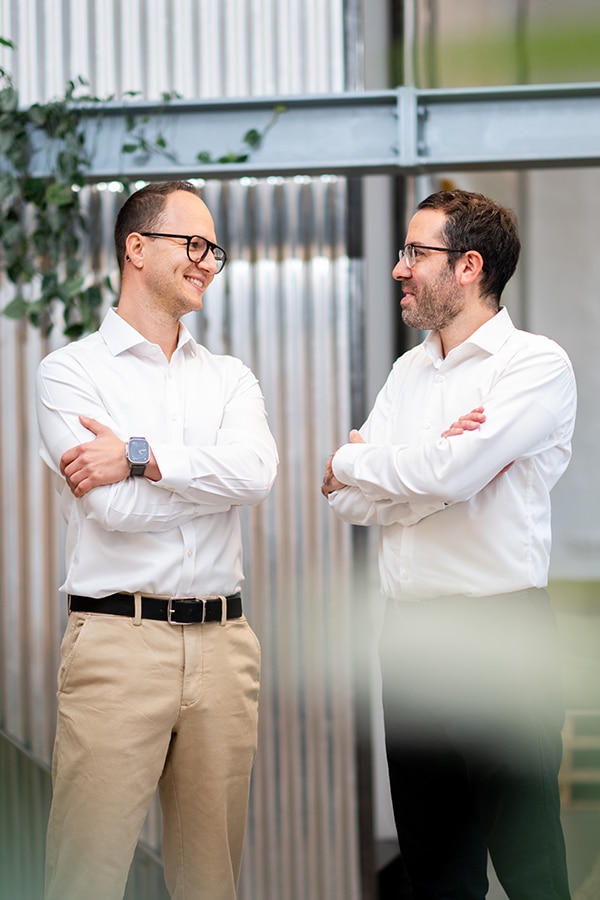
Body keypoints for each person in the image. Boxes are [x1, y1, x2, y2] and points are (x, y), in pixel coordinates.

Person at [322, 189, 576, 900]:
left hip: (501, 633)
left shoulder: (535, 365)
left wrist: (353, 460)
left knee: (530, 870)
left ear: (469, 266)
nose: (400, 269)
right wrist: (425, 469)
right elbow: (349, 504)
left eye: (415, 253)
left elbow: (427, 473)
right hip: (409, 639)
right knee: (436, 870)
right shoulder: (409, 372)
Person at [36, 180, 279, 900]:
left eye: (214, 250)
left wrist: (141, 456)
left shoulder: (230, 379)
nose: (208, 261)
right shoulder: (70, 372)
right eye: (193, 244)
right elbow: (112, 509)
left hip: (224, 645)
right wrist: (209, 481)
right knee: (87, 873)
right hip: (118, 642)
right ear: (136, 248)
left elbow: (258, 473)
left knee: (211, 883)